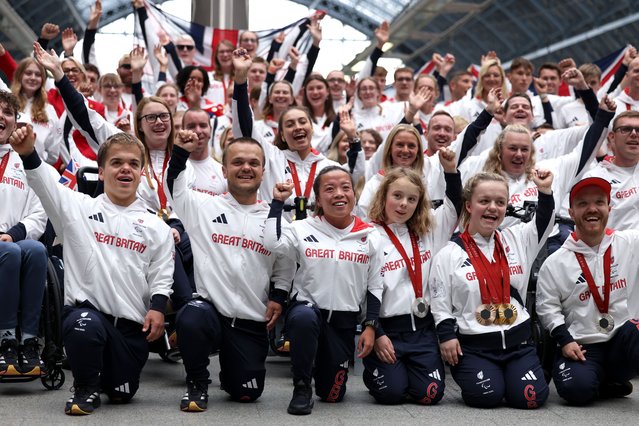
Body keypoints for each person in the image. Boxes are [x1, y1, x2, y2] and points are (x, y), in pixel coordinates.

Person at [9, 126, 173, 415]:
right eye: (116, 163)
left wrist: (158, 307)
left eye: (133, 164)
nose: (125, 169)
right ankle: (85, 388)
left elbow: (162, 271)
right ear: (101, 171)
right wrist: (28, 153)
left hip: (130, 331)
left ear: (142, 173)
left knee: (122, 393)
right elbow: (46, 184)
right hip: (86, 315)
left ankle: (106, 377)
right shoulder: (77, 208)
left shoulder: (156, 226)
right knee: (85, 324)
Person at [165, 132, 294, 411]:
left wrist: (279, 296)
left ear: (263, 170)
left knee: (247, 394)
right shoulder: (203, 205)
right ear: (224, 170)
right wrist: (180, 152)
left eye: (253, 163)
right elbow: (174, 185)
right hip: (209, 310)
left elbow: (285, 264)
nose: (245, 168)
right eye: (237, 162)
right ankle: (197, 381)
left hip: (249, 318)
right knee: (192, 316)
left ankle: (232, 371)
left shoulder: (275, 217)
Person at [429, 169, 555, 409]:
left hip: (517, 345)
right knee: (486, 398)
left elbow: (544, 222)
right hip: (476, 348)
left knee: (530, 399)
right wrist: (446, 336)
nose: (492, 208)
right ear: (468, 205)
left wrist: (545, 191)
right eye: (484, 201)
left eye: (499, 202)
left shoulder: (517, 239)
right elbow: (440, 300)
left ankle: (513, 375)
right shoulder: (449, 253)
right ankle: (495, 378)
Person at [265, 166, 384, 415]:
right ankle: (301, 386)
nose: (338, 194)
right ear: (318, 199)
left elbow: (375, 285)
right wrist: (278, 202)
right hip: (308, 312)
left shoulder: (370, 235)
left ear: (354, 194)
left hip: (343, 321)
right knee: (304, 317)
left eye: (345, 187)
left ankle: (320, 369)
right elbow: (272, 243)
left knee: (332, 395)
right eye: (329, 189)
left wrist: (371, 326)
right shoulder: (301, 228)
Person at [362, 150, 461, 405]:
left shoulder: (428, 232)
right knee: (391, 394)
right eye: (397, 196)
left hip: (422, 332)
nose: (403, 204)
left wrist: (451, 171)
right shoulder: (369, 235)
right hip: (386, 332)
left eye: (412, 199)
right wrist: (378, 332)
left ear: (419, 203)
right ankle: (383, 373)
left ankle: (406, 373)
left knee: (430, 395)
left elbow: (454, 206)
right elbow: (363, 291)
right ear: (383, 196)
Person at [537, 177, 639, 405]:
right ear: (571, 212)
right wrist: (564, 341)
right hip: (582, 347)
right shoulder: (555, 263)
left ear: (609, 208)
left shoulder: (630, 242)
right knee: (576, 391)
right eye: (583, 204)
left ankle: (608, 378)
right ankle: (604, 381)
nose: (592, 209)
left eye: (599, 202)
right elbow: (547, 309)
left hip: (622, 341)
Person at [232, 48, 364, 219]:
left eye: (302, 122)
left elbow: (355, 173)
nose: (297, 127)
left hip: (316, 242)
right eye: (289, 124)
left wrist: (353, 138)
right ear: (281, 134)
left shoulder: (328, 167)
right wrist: (241, 79)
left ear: (312, 128)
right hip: (274, 240)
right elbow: (244, 128)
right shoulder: (271, 157)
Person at [0, 90, 49, 377]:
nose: (1, 116)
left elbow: (40, 210)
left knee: (37, 250)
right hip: (7, 249)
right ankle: (6, 339)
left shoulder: (25, 161)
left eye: (7, 112)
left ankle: (29, 341)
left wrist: (15, 233)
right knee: (11, 251)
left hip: (13, 240)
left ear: (15, 122)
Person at [10, 58, 63, 166]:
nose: (33, 78)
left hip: (35, 169)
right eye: (28, 73)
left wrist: (39, 160)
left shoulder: (49, 110)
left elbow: (53, 154)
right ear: (20, 75)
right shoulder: (7, 103)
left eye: (38, 75)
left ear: (43, 80)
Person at [181, 108, 227, 196]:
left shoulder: (222, 172)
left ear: (211, 129)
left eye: (203, 125)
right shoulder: (173, 168)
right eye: (191, 126)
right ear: (183, 130)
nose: (198, 131)